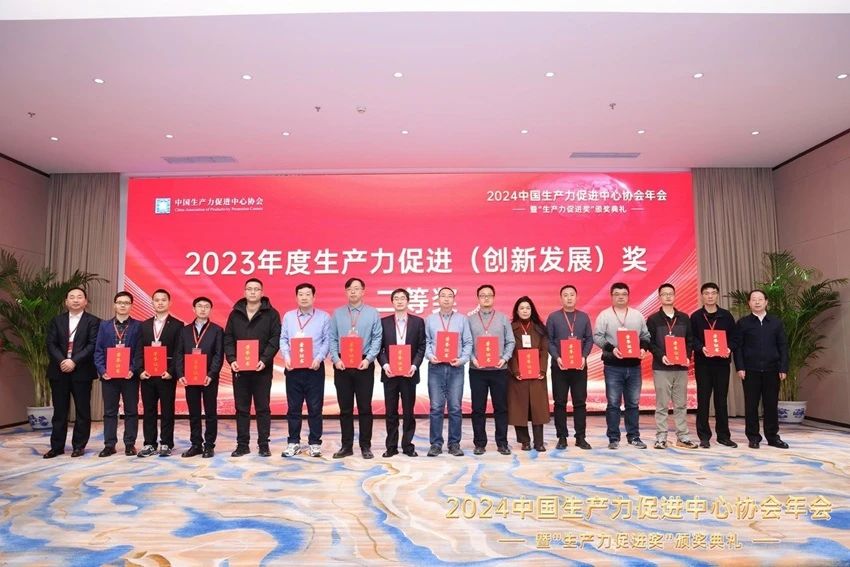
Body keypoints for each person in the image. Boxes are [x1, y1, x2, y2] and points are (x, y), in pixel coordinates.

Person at [223, 278, 281, 457]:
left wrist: (264, 359)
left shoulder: (271, 314)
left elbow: (275, 339)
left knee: (263, 408)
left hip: (262, 369)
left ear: (262, 292)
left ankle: (263, 444)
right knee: (242, 408)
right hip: (239, 370)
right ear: (244, 292)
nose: (253, 292)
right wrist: (232, 359)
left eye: (256, 289)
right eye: (249, 289)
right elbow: (228, 338)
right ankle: (242, 444)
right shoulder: (235, 314)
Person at [43, 287, 100, 458]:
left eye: (79, 297)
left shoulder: (93, 321)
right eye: (72, 297)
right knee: (59, 411)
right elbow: (51, 344)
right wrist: (63, 361)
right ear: (66, 302)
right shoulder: (56, 321)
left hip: (82, 371)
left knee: (82, 411)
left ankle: (79, 446)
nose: (76, 300)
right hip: (59, 370)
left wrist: (74, 361)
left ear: (85, 301)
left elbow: (92, 345)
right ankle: (57, 447)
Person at [328, 277, 382, 459]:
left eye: (357, 288)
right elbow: (332, 338)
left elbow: (377, 338)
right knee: (345, 409)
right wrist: (336, 359)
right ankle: (346, 446)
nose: (353, 291)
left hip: (364, 364)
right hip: (342, 365)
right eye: (350, 289)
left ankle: (365, 446)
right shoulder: (337, 314)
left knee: (365, 408)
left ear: (363, 291)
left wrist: (369, 359)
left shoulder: (372, 313)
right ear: (346, 292)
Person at [593, 282, 651, 450]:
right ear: (611, 296)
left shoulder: (637, 315)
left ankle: (634, 437)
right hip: (613, 366)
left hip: (634, 366)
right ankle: (613, 438)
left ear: (628, 296)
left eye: (624, 294)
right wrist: (612, 349)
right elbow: (597, 336)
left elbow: (646, 335)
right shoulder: (604, 315)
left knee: (633, 403)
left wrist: (643, 348)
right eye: (617, 294)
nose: (620, 297)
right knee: (613, 404)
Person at [279, 283, 331, 458]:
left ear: (314, 297)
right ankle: (293, 442)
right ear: (296, 297)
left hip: (314, 368)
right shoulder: (289, 316)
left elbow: (327, 341)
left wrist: (319, 359)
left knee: (315, 408)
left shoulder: (323, 317)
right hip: (293, 369)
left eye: (308, 294)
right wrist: (287, 357)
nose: (304, 297)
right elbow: (283, 339)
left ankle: (315, 443)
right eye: (300, 294)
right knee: (293, 408)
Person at [734, 289, 790, 449]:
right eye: (753, 299)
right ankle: (753, 437)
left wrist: (783, 367)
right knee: (751, 405)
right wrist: (740, 367)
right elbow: (738, 348)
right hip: (750, 370)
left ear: (766, 302)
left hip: (772, 370)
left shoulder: (776, 322)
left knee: (771, 404)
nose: (757, 302)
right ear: (749, 303)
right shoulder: (743, 323)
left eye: (760, 299)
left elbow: (783, 346)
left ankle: (772, 437)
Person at [647, 283, 698, 450]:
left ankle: (683, 436)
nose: (668, 296)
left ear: (675, 296)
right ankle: (661, 437)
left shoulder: (684, 318)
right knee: (662, 405)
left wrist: (686, 357)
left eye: (671, 293)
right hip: (662, 368)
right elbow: (650, 343)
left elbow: (690, 340)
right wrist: (661, 356)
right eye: (664, 294)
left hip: (681, 368)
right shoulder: (653, 319)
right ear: (659, 297)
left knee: (681, 404)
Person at [377, 288, 426, 457]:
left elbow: (421, 346)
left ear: (408, 301)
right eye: (396, 298)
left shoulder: (418, 322)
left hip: (409, 374)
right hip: (390, 374)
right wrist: (385, 365)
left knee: (408, 412)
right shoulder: (384, 322)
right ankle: (391, 447)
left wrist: (414, 366)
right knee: (391, 412)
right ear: (392, 302)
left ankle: (408, 446)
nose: (399, 301)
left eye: (402, 298)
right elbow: (379, 348)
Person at [135, 289, 184, 458]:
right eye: (157, 300)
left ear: (169, 303)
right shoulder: (144, 325)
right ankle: (149, 443)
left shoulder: (177, 325)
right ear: (152, 303)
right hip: (147, 374)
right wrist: (140, 370)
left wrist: (171, 371)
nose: (160, 303)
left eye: (164, 300)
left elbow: (178, 351)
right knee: (148, 410)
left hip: (166, 375)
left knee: (167, 410)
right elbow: (139, 350)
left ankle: (166, 443)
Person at [467, 284, 515, 455]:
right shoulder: (470, 320)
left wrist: (504, 358)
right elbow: (466, 343)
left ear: (494, 298)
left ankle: (502, 443)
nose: (486, 298)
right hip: (477, 370)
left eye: (489, 295)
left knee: (501, 408)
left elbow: (510, 341)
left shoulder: (503, 318)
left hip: (499, 370)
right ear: (478, 298)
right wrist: (473, 359)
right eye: (482, 295)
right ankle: (480, 443)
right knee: (478, 409)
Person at [94, 291, 143, 457]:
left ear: (131, 306)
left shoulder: (138, 326)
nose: (123, 305)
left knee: (131, 411)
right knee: (109, 412)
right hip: (109, 376)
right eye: (120, 302)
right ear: (114, 305)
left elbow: (139, 352)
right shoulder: (104, 325)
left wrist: (133, 369)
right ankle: (109, 445)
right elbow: (98, 350)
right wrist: (102, 370)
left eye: (126, 303)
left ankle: (130, 444)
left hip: (130, 376)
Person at [424, 287, 472, 457]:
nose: (446, 299)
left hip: (456, 367)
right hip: (435, 368)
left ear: (454, 299)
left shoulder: (462, 319)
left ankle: (454, 444)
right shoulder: (430, 319)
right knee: (436, 407)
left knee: (455, 407)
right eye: (443, 296)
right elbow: (426, 341)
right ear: (438, 299)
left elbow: (468, 342)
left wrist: (462, 359)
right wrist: (430, 356)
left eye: (450, 296)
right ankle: (436, 444)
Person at [545, 284, 594, 450]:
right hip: (559, 367)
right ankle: (562, 437)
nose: (569, 298)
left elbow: (589, 339)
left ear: (576, 297)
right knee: (560, 402)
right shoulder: (553, 317)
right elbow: (548, 340)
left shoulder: (583, 317)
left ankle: (580, 437)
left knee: (580, 402)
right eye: (565, 295)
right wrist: (556, 357)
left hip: (579, 367)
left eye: (572, 294)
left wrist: (584, 356)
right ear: (561, 298)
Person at [690, 282, 738, 448]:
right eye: (707, 293)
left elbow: (734, 337)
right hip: (703, 364)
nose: (710, 296)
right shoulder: (696, 317)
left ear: (717, 295)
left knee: (721, 400)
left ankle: (723, 436)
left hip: (722, 364)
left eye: (713, 293)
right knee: (703, 400)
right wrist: (701, 348)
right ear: (702, 296)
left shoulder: (726, 316)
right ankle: (704, 436)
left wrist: (729, 348)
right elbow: (692, 338)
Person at [175, 296, 224, 458]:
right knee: (194, 413)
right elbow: (179, 353)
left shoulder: (217, 330)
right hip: (190, 377)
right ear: (193, 309)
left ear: (210, 310)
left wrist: (212, 374)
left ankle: (209, 445)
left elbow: (218, 354)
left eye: (206, 306)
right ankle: (196, 444)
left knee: (210, 412)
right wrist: (180, 374)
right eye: (200, 306)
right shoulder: (184, 330)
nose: (203, 309)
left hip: (208, 378)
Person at [507, 296, 550, 451]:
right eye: (522, 308)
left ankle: (539, 442)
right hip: (517, 375)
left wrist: (542, 370)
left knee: (537, 409)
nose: (525, 311)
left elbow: (544, 351)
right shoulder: (510, 329)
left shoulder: (540, 329)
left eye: (528, 308)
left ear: (532, 310)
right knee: (519, 409)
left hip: (537, 374)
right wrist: (515, 370)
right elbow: (510, 352)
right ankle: (524, 441)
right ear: (517, 311)